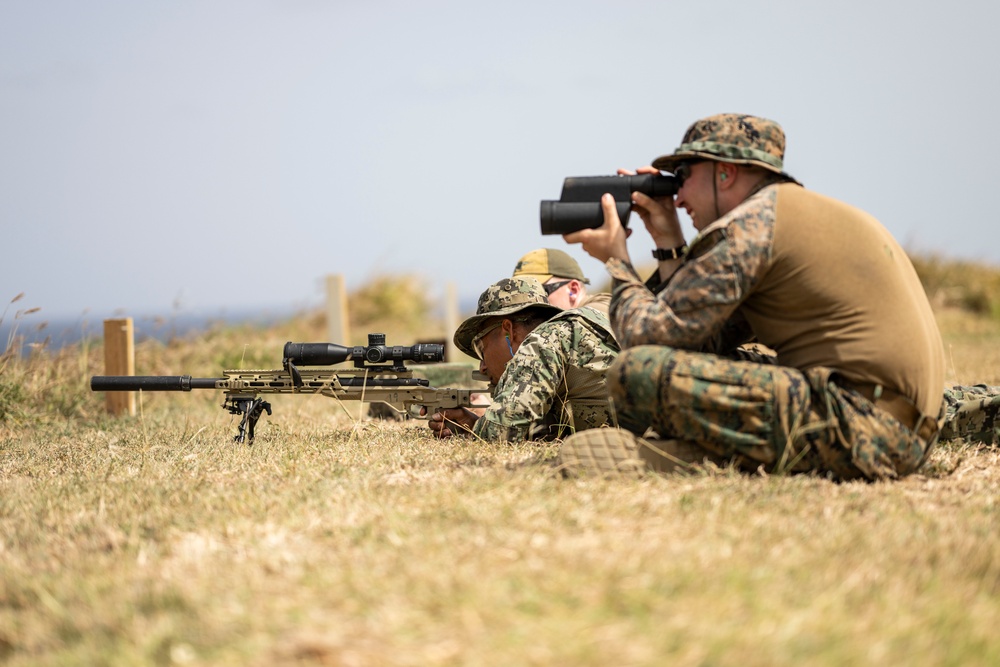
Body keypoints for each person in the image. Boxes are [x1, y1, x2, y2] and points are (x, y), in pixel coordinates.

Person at [558, 112, 945, 481]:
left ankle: (696, 457)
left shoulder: (751, 226)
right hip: (893, 424)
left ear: (725, 173)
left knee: (635, 373)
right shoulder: (789, 216)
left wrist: (617, 260)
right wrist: (669, 242)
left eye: (684, 176)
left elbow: (646, 340)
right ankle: (716, 454)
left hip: (867, 431)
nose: (677, 197)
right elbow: (697, 339)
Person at [427, 277, 619, 442]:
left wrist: (478, 428)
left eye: (481, 348)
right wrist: (472, 424)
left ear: (509, 331)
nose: (482, 366)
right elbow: (552, 429)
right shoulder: (571, 333)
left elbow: (500, 433)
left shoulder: (544, 340)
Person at [512, 248, 610, 315]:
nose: (528, 303)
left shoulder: (601, 310)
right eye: (521, 294)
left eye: (540, 292)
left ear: (573, 290)